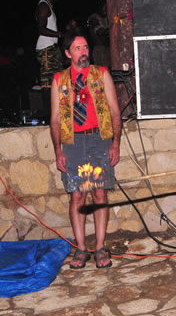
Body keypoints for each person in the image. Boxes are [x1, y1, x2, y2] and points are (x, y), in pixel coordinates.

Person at [50, 29, 122, 269]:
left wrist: (115, 143)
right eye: (78, 48)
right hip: (73, 143)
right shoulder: (59, 80)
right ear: (68, 53)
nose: (84, 52)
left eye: (86, 47)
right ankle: (81, 249)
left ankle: (100, 247)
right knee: (77, 195)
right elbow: (55, 120)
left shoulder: (101, 75)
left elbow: (114, 111)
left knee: (99, 193)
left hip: (99, 140)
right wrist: (58, 151)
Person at [35, 0, 64, 94]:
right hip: (46, 49)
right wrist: (58, 34)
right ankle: (48, 110)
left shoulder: (48, 6)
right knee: (47, 83)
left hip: (52, 48)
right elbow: (41, 29)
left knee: (58, 80)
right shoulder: (43, 6)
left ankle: (56, 108)